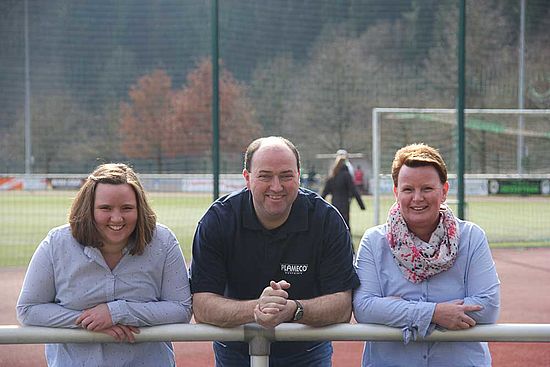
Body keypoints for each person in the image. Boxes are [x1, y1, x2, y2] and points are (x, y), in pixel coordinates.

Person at [190, 136, 359, 366]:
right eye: (265, 176)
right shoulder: (218, 220)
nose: (276, 187)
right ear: (247, 178)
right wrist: (259, 308)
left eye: (286, 176)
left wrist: (293, 309)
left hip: (307, 350)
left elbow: (342, 305)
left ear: (299, 176)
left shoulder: (327, 221)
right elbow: (202, 305)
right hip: (235, 351)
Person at [16, 163, 192, 367]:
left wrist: (118, 312)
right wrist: (89, 322)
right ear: (88, 209)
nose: (117, 218)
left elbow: (181, 308)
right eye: (105, 208)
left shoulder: (163, 241)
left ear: (140, 208)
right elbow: (28, 309)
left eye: (127, 208)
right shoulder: (57, 244)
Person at [353, 143, 500, 367]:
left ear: (444, 191)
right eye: (408, 189)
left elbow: (486, 308)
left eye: (427, 189)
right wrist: (434, 313)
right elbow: (364, 308)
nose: (417, 198)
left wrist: (395, 311)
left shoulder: (471, 238)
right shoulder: (374, 242)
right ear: (396, 192)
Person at [321, 155, 366, 230]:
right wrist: (361, 205)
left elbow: (324, 192)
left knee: (335, 225)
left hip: (334, 203)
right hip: (345, 204)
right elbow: (354, 190)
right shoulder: (346, 175)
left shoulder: (332, 176)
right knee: (345, 225)